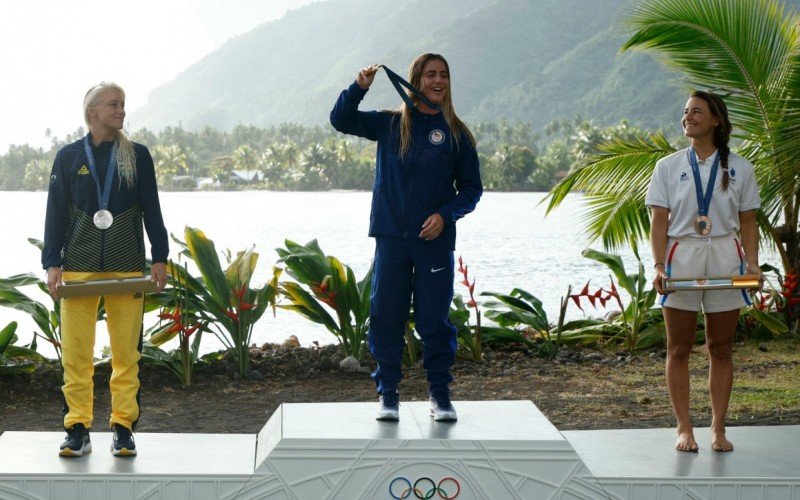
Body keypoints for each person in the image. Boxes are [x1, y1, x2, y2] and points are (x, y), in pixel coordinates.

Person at [330, 54, 482, 422]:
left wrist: (444, 217)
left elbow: (472, 190)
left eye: (444, 75)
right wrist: (359, 88)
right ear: (415, 80)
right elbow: (341, 120)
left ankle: (440, 396)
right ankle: (389, 395)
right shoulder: (389, 124)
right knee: (386, 316)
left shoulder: (456, 133)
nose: (438, 81)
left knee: (434, 320)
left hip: (434, 242)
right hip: (391, 238)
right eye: (431, 74)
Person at [42, 82, 169, 457]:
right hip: (78, 268)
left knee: (126, 353)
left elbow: (152, 207)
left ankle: (123, 427)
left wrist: (159, 256)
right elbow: (55, 213)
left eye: (123, 104)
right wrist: (53, 262)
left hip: (127, 266)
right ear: (92, 111)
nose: (121, 111)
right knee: (77, 354)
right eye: (113, 104)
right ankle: (77, 428)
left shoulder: (137, 156)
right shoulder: (68, 158)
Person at [646, 91, 761, 452]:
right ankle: (684, 428)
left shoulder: (740, 168)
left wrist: (754, 265)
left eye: (696, 111)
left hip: (726, 256)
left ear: (716, 120)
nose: (687, 117)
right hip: (682, 257)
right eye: (684, 112)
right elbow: (658, 221)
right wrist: (659, 264)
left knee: (721, 347)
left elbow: (748, 221)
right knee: (678, 348)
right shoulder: (668, 166)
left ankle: (718, 428)